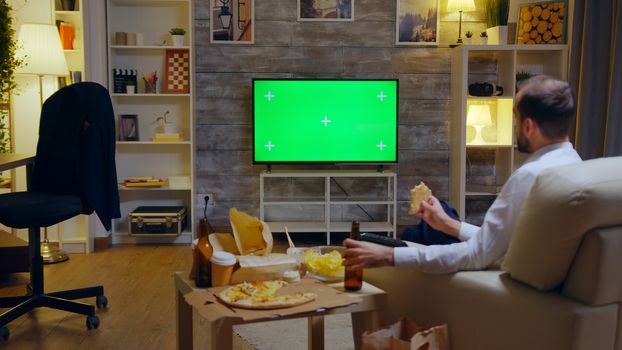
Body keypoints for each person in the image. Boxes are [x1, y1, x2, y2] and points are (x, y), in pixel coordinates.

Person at [342, 76, 582, 273]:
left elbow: (478, 255)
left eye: (515, 118)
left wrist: (389, 256)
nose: (515, 126)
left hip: (494, 284)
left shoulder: (529, 176)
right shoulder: (573, 163)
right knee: (440, 216)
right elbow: (499, 241)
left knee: (391, 245)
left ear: (528, 126)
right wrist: (449, 225)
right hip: (514, 261)